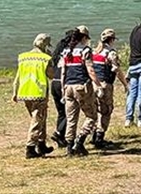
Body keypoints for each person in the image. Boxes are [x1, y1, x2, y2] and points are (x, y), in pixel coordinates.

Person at [59, 26, 100, 156]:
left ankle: (69, 147)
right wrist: (98, 85)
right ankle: (80, 141)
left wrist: (63, 89)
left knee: (71, 119)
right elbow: (90, 70)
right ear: (84, 38)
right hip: (81, 87)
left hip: (68, 87)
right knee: (92, 116)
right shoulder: (85, 50)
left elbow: (63, 73)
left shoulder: (66, 51)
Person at [12, 33, 54, 159]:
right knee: (37, 120)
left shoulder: (23, 57)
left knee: (40, 118)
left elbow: (18, 76)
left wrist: (15, 92)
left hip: (25, 91)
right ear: (46, 45)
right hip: (39, 92)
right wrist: (52, 62)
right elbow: (51, 75)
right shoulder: (45, 58)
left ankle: (41, 144)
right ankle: (30, 147)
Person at [91, 28, 128, 148]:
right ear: (111, 40)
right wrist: (125, 84)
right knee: (106, 110)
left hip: (93, 84)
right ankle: (99, 137)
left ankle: (93, 134)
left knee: (95, 110)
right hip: (105, 84)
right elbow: (117, 70)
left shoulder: (94, 52)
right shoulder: (111, 53)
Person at [48, 29, 76, 148]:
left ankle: (61, 138)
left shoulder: (59, 51)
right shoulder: (71, 51)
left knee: (61, 112)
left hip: (54, 82)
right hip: (63, 83)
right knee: (70, 111)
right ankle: (59, 133)